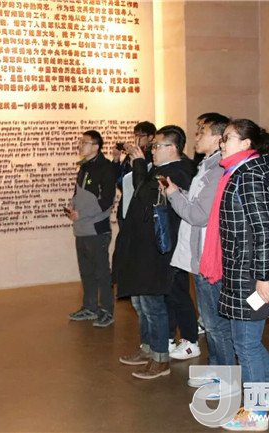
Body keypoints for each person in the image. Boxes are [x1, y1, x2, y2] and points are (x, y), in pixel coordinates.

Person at [200, 119, 269, 431]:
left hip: (249, 274)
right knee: (247, 341)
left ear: (246, 143)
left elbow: (264, 231)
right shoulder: (238, 172)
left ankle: (256, 413)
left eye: (229, 138)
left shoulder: (247, 176)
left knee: (246, 344)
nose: (222, 143)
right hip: (239, 270)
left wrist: (262, 277)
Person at [113, 125, 195, 380]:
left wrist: (139, 164)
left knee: (153, 304)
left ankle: (161, 359)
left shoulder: (179, 171)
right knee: (140, 301)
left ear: (172, 148)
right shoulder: (160, 169)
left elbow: (145, 196)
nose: (152, 151)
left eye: (157, 146)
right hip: (142, 246)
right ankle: (148, 348)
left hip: (157, 250)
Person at [165, 113, 233, 365]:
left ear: (217, 138)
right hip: (202, 254)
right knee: (213, 323)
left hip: (208, 256)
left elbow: (198, 215)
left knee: (215, 324)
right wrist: (180, 192)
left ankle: (225, 376)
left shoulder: (216, 170)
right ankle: (218, 370)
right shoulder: (206, 166)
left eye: (201, 132)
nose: (196, 137)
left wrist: (173, 194)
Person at [66, 130, 117, 328]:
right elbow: (78, 194)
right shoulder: (84, 166)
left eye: (84, 142)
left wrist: (82, 214)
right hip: (82, 228)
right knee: (86, 271)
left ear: (96, 146)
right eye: (80, 142)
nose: (80, 145)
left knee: (102, 273)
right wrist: (72, 207)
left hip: (97, 229)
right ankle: (90, 307)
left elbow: (106, 201)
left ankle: (106, 311)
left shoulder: (106, 168)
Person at [112, 121, 155, 228]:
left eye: (140, 135)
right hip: (125, 205)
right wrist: (116, 159)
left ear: (150, 137)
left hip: (140, 207)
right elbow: (118, 179)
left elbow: (145, 179)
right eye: (135, 135)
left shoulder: (152, 155)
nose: (137, 138)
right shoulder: (131, 154)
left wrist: (137, 162)